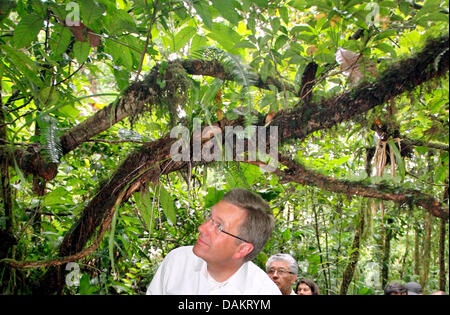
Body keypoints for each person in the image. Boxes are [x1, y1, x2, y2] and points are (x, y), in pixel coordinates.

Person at [146, 188, 281, 295]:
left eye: (219, 226)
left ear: (242, 249)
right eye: (210, 217)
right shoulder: (178, 261)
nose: (202, 228)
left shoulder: (263, 291)